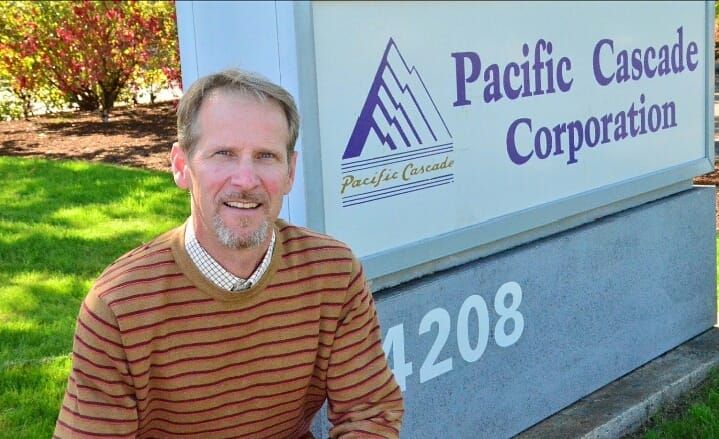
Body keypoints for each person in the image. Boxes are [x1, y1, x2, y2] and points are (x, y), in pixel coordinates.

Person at [54, 69, 404, 438]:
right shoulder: (120, 305)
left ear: (290, 172)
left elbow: (370, 413)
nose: (246, 180)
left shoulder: (332, 273)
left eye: (266, 156)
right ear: (181, 167)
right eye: (223, 154)